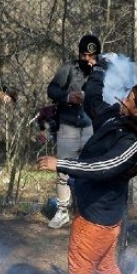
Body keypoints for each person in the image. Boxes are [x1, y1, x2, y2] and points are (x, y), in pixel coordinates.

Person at [37, 58, 137, 274]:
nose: (123, 100)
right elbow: (93, 98)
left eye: (129, 99)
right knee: (106, 266)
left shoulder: (135, 140)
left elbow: (105, 167)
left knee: (80, 273)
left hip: (99, 215)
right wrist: (98, 69)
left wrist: (60, 164)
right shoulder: (116, 117)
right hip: (93, 206)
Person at [44, 35, 100, 229]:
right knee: (63, 169)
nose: (87, 59)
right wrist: (67, 96)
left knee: (90, 169)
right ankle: (62, 211)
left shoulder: (103, 72)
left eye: (92, 56)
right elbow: (51, 90)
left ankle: (87, 211)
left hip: (91, 127)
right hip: (68, 124)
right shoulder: (68, 68)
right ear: (79, 53)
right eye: (84, 55)